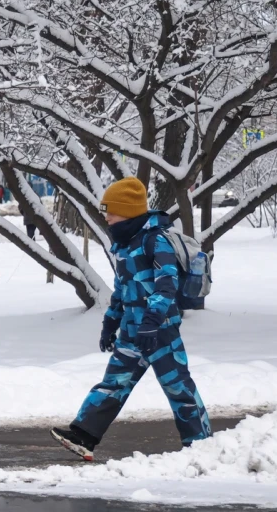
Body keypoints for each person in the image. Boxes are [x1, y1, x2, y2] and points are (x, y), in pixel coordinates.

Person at [50, 177, 211, 461]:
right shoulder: (124, 245)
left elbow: (167, 285)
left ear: (127, 211)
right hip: (131, 330)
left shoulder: (155, 240)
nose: (106, 216)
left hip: (160, 330)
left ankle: (203, 446)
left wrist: (152, 321)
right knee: (114, 383)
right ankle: (84, 435)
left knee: (178, 387)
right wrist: (110, 323)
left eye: (111, 211)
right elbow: (122, 290)